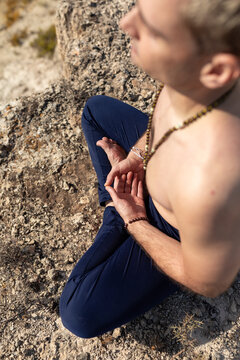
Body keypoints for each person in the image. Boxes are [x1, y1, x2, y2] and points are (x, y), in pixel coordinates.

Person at [60, 0, 240, 338]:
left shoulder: (210, 182)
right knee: (96, 111)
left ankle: (115, 211)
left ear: (215, 69)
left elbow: (206, 278)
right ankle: (123, 197)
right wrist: (138, 156)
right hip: (164, 171)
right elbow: (168, 124)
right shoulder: (198, 73)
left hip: (176, 229)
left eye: (153, 27)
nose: (127, 23)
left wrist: (134, 220)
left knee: (78, 313)